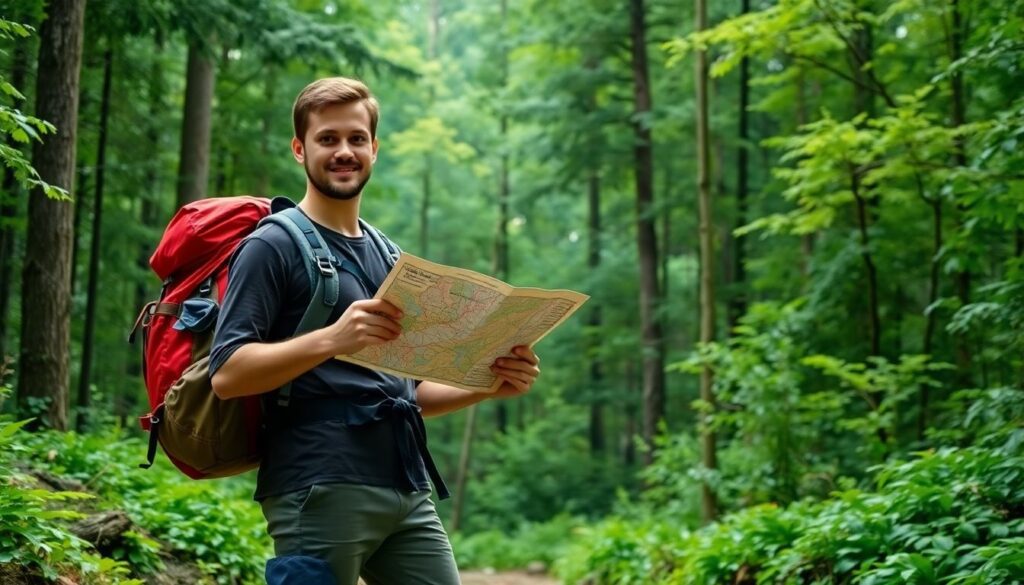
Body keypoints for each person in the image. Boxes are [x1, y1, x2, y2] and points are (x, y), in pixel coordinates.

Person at [208, 77, 540, 585]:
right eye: (328, 139)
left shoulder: (389, 256)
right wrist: (333, 339)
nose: (344, 151)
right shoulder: (270, 245)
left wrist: (487, 383)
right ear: (300, 149)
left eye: (356, 139)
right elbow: (227, 374)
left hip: (406, 486)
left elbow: (408, 390)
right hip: (317, 484)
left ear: (374, 148)